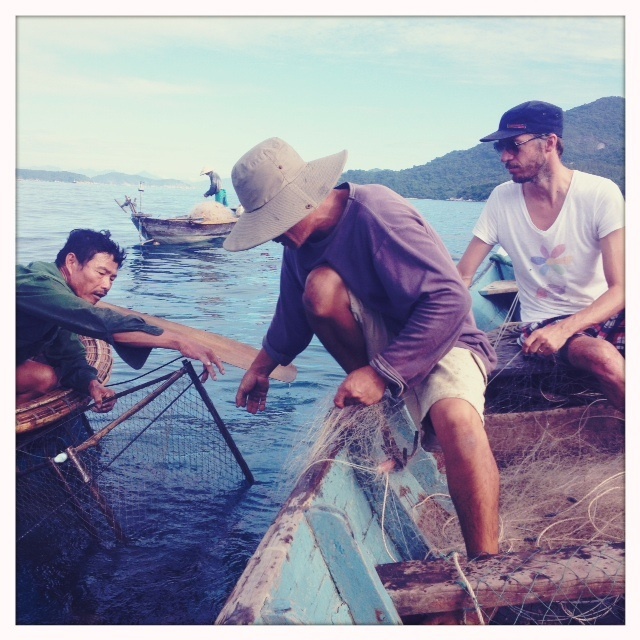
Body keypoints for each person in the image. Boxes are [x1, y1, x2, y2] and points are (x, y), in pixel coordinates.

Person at [223, 137, 499, 558]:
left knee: (458, 421)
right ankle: (384, 408)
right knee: (319, 288)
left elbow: (450, 301)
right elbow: (292, 313)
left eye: (275, 223)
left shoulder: (378, 213)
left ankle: (486, 564)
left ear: (303, 200)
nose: (273, 237)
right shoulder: (298, 242)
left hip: (445, 337)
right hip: (385, 349)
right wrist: (262, 366)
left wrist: (380, 373)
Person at [457, 101, 625, 411]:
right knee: (605, 360)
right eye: (500, 148)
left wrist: (568, 328)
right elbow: (463, 275)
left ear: (549, 143)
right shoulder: (501, 200)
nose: (505, 156)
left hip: (604, 311)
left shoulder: (601, 193)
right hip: (545, 322)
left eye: (513, 145)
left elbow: (622, 289)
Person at [17, 229, 224, 411]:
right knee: (46, 378)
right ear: (71, 262)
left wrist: (93, 385)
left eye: (112, 278)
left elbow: (69, 354)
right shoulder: (38, 284)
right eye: (101, 273)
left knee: (44, 376)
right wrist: (179, 342)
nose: (106, 285)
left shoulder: (61, 304)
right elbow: (96, 319)